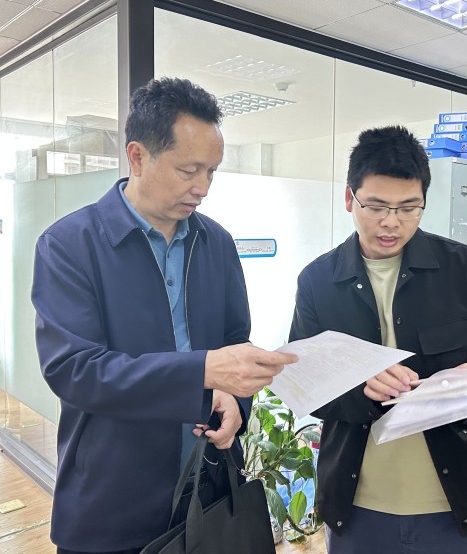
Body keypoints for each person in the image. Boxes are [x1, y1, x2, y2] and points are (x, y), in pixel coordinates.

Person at [32, 76, 297, 554]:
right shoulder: (70, 245)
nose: (203, 188)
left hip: (208, 492)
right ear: (137, 157)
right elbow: (75, 371)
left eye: (212, 172)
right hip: (112, 502)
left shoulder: (216, 242)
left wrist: (235, 402)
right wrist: (202, 372)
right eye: (188, 170)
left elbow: (234, 339)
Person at [289, 125, 467, 553]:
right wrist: (361, 390)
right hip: (357, 506)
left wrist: (466, 384)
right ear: (349, 198)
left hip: (455, 502)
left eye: (409, 208)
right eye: (375, 206)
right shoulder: (318, 281)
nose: (391, 222)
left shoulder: (466, 269)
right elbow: (308, 386)